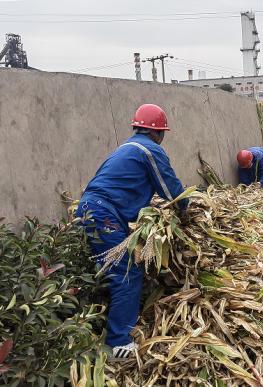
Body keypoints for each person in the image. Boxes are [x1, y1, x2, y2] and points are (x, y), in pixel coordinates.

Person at [75, 104, 189, 359]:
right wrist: (185, 209)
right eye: (162, 133)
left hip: (88, 209)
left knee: (109, 269)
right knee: (126, 271)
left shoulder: (125, 148)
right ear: (157, 132)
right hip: (104, 214)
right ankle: (118, 342)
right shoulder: (150, 149)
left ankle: (94, 317)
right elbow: (169, 188)